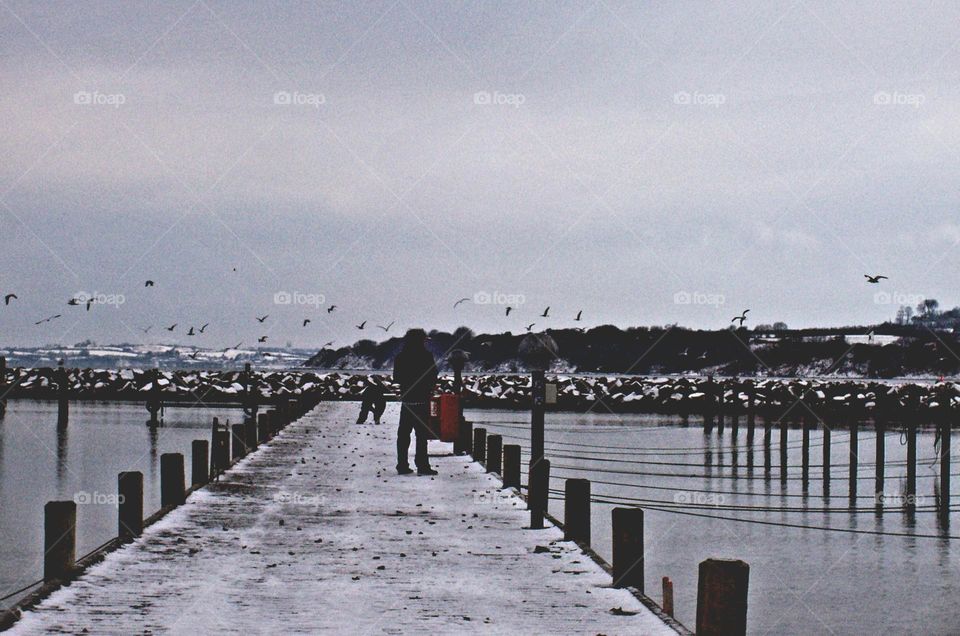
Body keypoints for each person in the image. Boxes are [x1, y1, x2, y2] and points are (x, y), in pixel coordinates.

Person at [393, 328, 438, 475]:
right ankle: (422, 465)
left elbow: (397, 378)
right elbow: (433, 376)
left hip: (407, 400)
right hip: (422, 399)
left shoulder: (400, 357)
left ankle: (402, 465)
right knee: (421, 435)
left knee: (404, 434)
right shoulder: (426, 356)